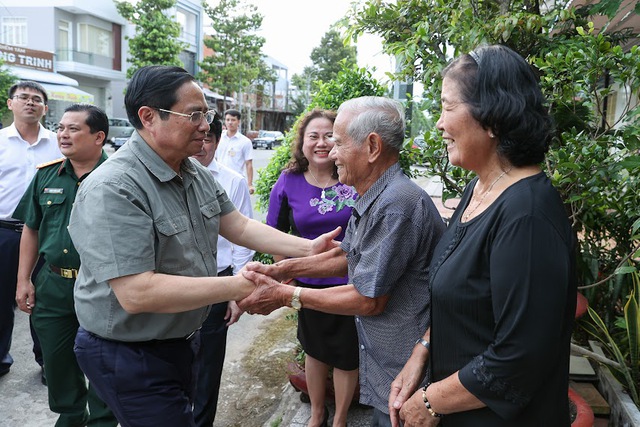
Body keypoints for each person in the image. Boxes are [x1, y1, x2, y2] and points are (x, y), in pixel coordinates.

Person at [67, 65, 340, 427]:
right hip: (128, 350)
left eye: (206, 114)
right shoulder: (115, 187)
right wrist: (245, 285)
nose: (205, 125)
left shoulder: (190, 170)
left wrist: (308, 249)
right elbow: (137, 292)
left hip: (179, 338)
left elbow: (238, 224)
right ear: (149, 117)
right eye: (194, 114)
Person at [388, 45, 576, 427]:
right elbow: (467, 299)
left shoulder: (527, 218)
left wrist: (428, 402)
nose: (439, 124)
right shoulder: (480, 189)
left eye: (447, 106)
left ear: (492, 117)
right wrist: (422, 350)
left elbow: (517, 359)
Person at [239, 96, 446, 427]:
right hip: (390, 370)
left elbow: (368, 299)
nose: (331, 152)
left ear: (372, 147)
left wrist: (284, 295)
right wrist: (281, 270)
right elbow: (346, 254)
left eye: (338, 142)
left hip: (407, 374)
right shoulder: (373, 195)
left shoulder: (396, 204)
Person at [13, 103, 117, 427]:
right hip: (54, 284)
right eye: (60, 127)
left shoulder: (119, 178)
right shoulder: (46, 175)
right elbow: (31, 227)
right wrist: (23, 280)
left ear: (99, 136)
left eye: (73, 128)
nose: (62, 134)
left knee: (104, 360)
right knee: (57, 362)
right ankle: (70, 416)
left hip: (104, 286)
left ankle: (102, 420)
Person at [266, 108, 359, 427]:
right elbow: (273, 233)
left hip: (351, 286)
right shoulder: (288, 181)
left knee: (348, 356)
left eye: (329, 135)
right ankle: (318, 413)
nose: (321, 143)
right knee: (315, 351)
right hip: (307, 288)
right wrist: (287, 276)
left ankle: (341, 418)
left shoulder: (352, 176)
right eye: (313, 136)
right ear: (302, 143)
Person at [190, 112, 255, 427]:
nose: (201, 146)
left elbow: (244, 239)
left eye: (208, 140)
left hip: (218, 283)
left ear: (217, 142)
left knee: (208, 364)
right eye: (197, 138)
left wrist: (237, 291)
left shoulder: (232, 181)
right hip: (173, 284)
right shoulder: (163, 179)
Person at [0, 81, 59, 382]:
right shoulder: (0, 142)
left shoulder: (58, 143)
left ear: (45, 108)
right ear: (10, 103)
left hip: (48, 232)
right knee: (1, 299)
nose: (30, 103)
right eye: (23, 97)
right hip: (5, 232)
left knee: (46, 298)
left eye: (37, 99)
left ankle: (49, 360)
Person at [215, 109, 255, 194]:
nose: (230, 122)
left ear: (238, 122)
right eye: (227, 120)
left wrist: (250, 184)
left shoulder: (245, 142)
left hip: (236, 181)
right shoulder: (219, 138)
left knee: (235, 206)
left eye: (233, 120)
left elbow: (249, 164)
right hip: (218, 180)